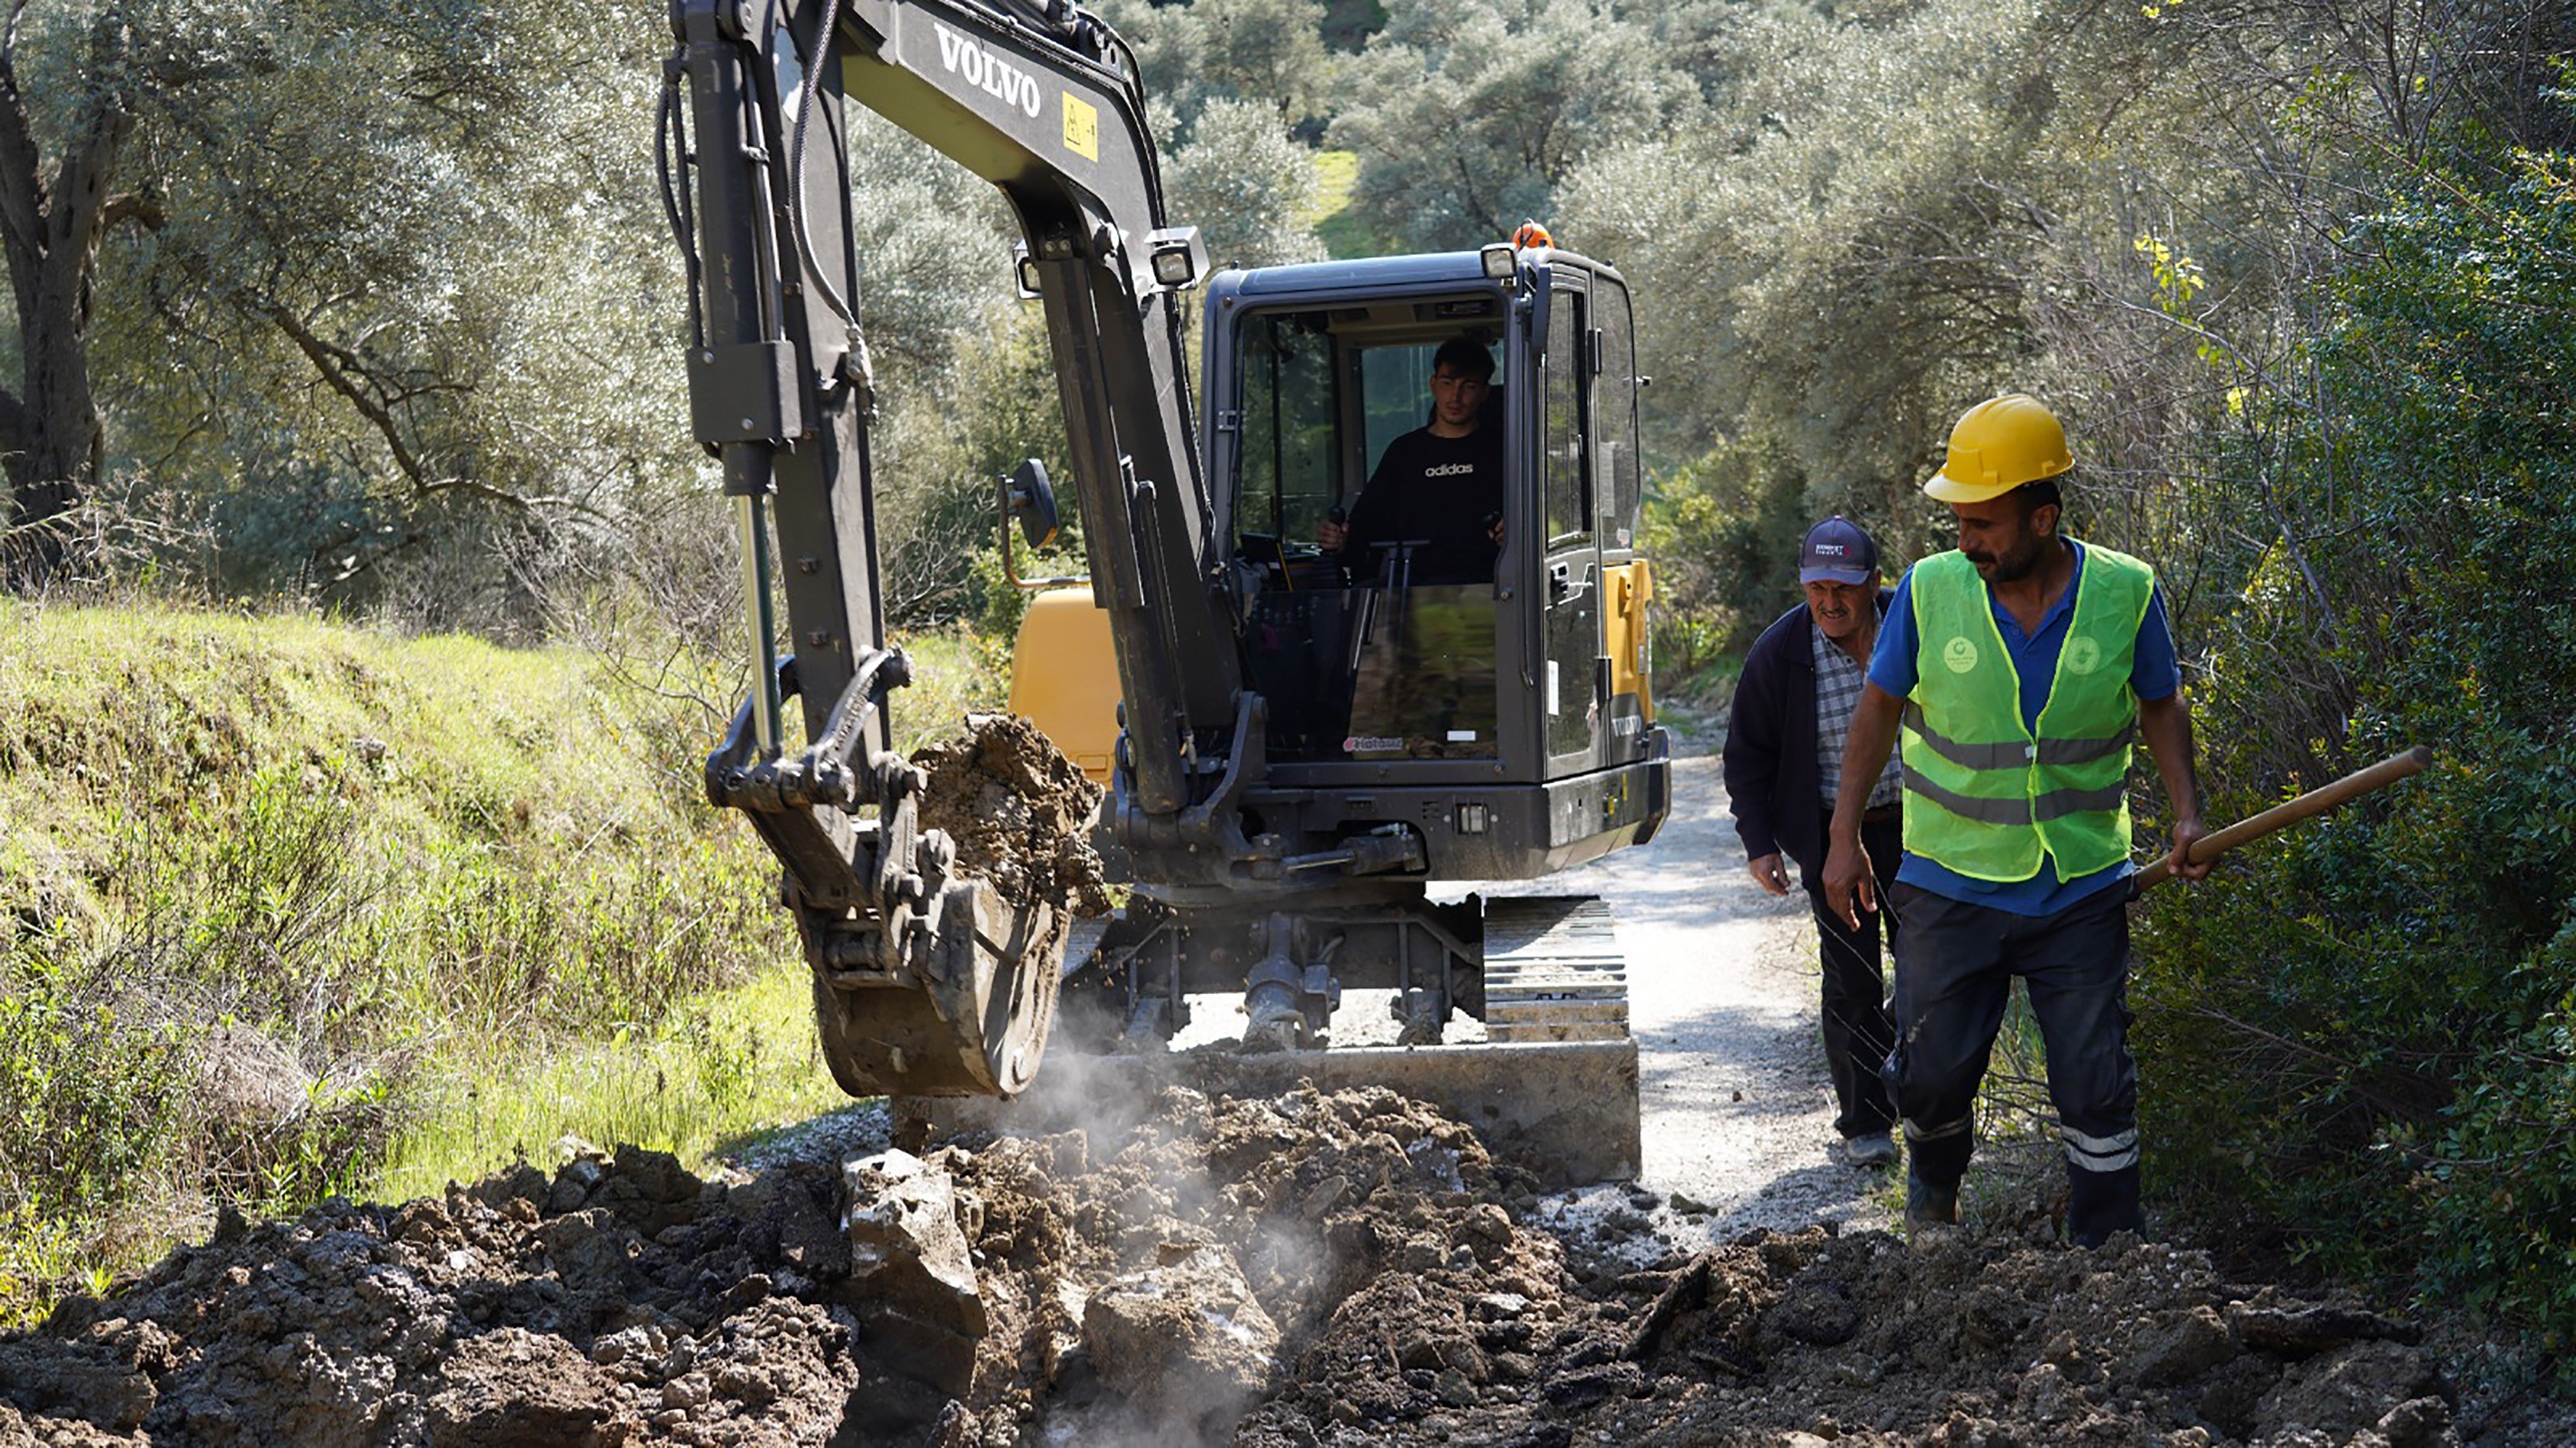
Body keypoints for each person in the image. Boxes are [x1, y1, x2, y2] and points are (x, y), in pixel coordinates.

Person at [1820, 393, 2209, 1248]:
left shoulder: (2124, 592)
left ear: (2042, 516)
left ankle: (2108, 1254)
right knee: (1931, 1073)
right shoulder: (1929, 590)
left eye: (1982, 523)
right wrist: (1843, 837)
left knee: (2095, 1082)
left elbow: (2160, 702)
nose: (1965, 540)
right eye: (1958, 522)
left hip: (2078, 884)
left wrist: (2187, 813)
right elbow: (1877, 708)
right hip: (1948, 884)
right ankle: (1931, 1205)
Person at [1722, 516, 1905, 1169]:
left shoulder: (1910, 625)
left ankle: (1927, 1103)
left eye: (1842, 588)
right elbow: (1746, 755)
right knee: (1851, 978)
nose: (1829, 602)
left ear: (1873, 583)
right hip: (1833, 836)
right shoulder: (1779, 652)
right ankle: (1866, 1124)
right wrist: (1760, 843)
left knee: (1935, 971)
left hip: (1922, 828)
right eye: (1816, 588)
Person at [1318, 335, 1506, 584]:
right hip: (1410, 591)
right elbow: (1364, 530)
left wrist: (1513, 535)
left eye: (1469, 386)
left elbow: (1537, 525)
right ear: (1433, 384)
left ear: (1484, 393)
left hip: (1490, 587)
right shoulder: (1404, 453)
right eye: (1447, 383)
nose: (1455, 396)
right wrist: (1340, 541)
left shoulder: (1504, 451)